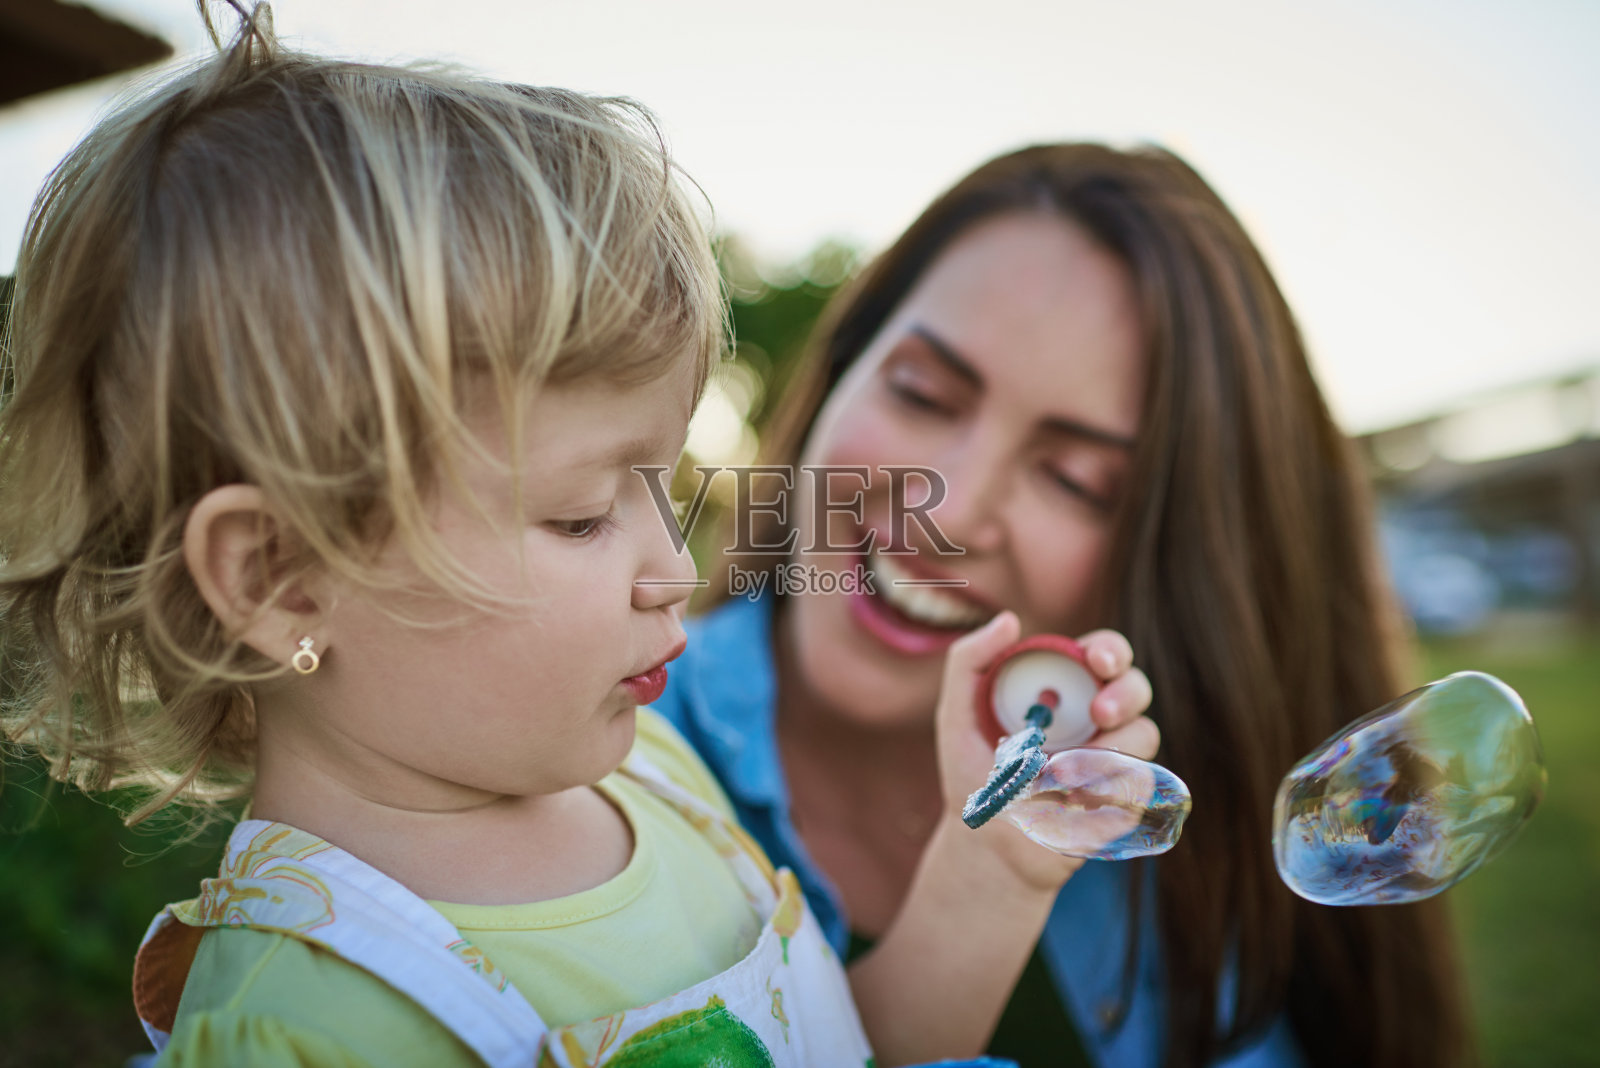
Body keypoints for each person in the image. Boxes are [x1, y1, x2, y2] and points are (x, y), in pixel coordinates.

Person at [0, 8, 1152, 1065]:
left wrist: (990, 868)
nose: (674, 569)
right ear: (280, 578)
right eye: (582, 515)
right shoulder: (306, 1025)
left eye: (655, 489)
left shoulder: (653, 770)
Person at [654, 143, 1472, 1067]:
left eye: (1076, 480)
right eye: (922, 394)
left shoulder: (1214, 866)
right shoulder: (590, 760)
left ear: (1180, 559)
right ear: (840, 369)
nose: (951, 511)